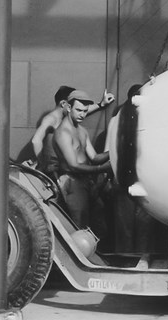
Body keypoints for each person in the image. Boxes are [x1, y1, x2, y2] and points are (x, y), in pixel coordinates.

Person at [52, 89, 112, 228]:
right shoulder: (62, 133)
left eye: (85, 111)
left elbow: (95, 157)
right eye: (78, 110)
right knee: (78, 225)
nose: (82, 115)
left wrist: (113, 151)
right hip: (71, 182)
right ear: (68, 107)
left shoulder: (81, 130)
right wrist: (101, 169)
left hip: (86, 181)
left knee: (97, 220)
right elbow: (73, 165)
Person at [31, 85, 114, 174]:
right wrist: (43, 164)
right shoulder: (51, 119)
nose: (82, 114)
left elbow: (82, 109)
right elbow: (35, 141)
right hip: (56, 169)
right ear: (64, 104)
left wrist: (101, 104)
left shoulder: (68, 115)